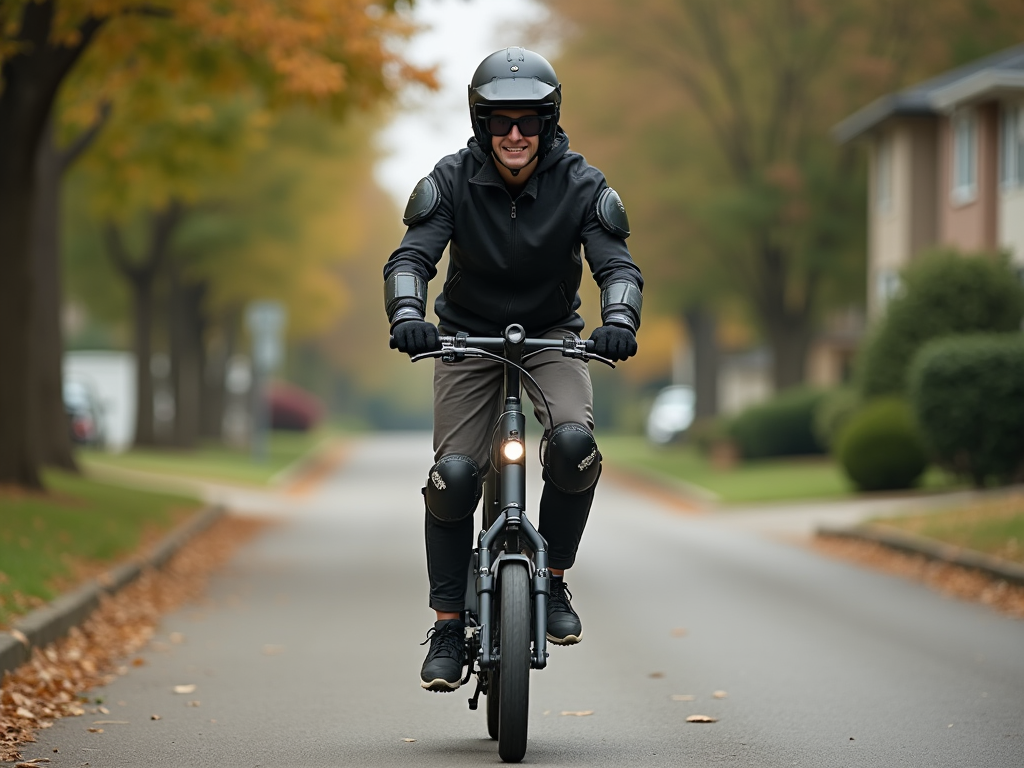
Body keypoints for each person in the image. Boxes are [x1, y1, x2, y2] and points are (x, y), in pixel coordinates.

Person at [383, 47, 643, 692]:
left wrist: (620, 322)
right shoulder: (449, 180)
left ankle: (552, 584)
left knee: (576, 447)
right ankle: (448, 625)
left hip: (552, 337)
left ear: (550, 124)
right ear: (481, 124)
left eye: (529, 120)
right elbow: (411, 257)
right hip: (468, 339)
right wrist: (409, 312)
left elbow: (617, 265)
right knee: (453, 477)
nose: (516, 134)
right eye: (501, 121)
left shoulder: (583, 185)